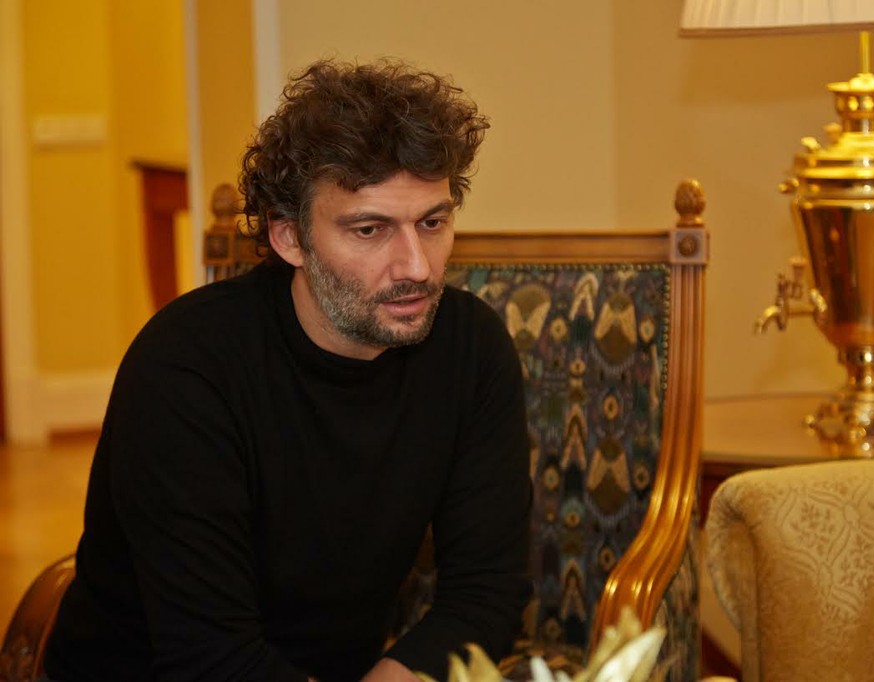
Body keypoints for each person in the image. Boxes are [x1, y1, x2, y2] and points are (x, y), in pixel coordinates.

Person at [43, 59, 532, 682]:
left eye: (432, 223)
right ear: (289, 238)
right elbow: (208, 656)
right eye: (370, 229)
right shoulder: (185, 370)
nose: (417, 266)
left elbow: (487, 591)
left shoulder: (472, 350)